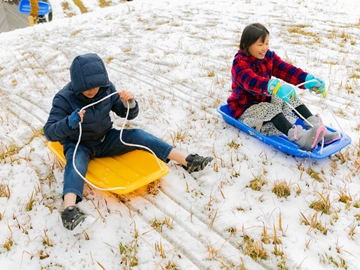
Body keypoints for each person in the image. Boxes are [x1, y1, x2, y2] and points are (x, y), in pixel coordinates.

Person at [44, 53, 213, 231]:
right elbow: (49, 131)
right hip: (80, 144)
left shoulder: (107, 89)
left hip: (106, 138)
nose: (93, 90)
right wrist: (69, 123)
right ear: (77, 84)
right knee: (75, 163)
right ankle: (69, 210)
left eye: (96, 86)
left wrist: (130, 103)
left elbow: (126, 114)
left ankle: (187, 160)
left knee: (139, 135)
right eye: (87, 88)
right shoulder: (64, 98)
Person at [227, 23, 340, 151]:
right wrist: (271, 86)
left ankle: (316, 128)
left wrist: (307, 79)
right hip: (245, 107)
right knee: (270, 108)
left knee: (290, 98)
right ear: (247, 44)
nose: (264, 48)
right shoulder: (240, 63)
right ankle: (301, 138)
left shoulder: (268, 57)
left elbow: (285, 69)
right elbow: (250, 81)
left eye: (267, 43)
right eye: (260, 44)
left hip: (264, 98)